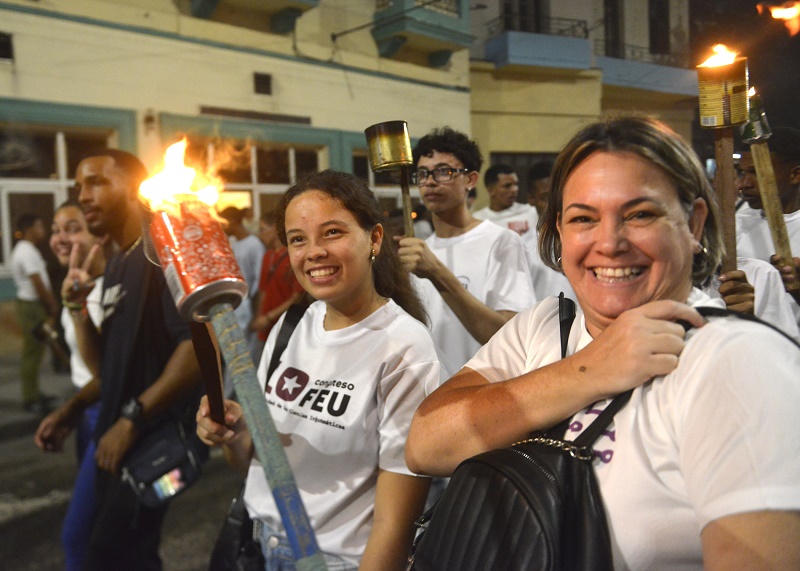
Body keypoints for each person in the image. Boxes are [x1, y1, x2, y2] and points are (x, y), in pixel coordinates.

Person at [406, 116, 800, 568]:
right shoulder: (544, 325)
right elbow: (425, 444)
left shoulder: (733, 360)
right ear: (559, 229)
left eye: (640, 215)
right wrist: (593, 369)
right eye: (583, 218)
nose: (609, 243)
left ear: (693, 223)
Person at [197, 170, 443, 570]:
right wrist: (233, 433)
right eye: (298, 239)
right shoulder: (292, 325)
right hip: (255, 545)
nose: (313, 252)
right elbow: (252, 463)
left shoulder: (404, 347)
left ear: (374, 239)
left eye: (332, 233)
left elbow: (395, 524)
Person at [39, 149, 204, 570]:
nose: (84, 195)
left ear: (134, 188)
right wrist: (73, 408)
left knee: (109, 555)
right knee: (122, 554)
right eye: (79, 185)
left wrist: (132, 419)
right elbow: (107, 367)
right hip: (117, 438)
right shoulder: (116, 264)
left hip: (159, 445)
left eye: (96, 182)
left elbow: (198, 351)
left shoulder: (163, 249)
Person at [396, 128, 536, 374]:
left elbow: (512, 341)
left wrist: (438, 274)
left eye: (443, 172)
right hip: (430, 396)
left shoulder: (501, 242)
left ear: (470, 180)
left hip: (484, 396)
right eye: (422, 174)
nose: (429, 181)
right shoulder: (417, 253)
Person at [35, 201, 107, 570]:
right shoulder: (76, 285)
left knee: (80, 536)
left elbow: (107, 373)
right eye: (55, 228)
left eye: (73, 227)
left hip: (106, 414)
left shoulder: (108, 292)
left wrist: (68, 410)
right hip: (86, 410)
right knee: (100, 534)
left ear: (100, 235)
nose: (61, 238)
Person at [10, 212, 61, 415]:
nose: (43, 230)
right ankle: (30, 397)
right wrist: (52, 305)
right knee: (32, 352)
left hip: (31, 305)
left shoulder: (26, 249)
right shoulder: (26, 252)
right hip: (32, 307)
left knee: (36, 351)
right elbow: (38, 282)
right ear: (30, 228)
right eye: (40, 226)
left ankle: (34, 392)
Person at [250, 210, 305, 360]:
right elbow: (263, 290)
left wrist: (268, 317)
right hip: (266, 328)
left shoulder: (293, 256)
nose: (260, 235)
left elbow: (297, 297)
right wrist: (259, 317)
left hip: (286, 326)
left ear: (275, 228)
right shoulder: (268, 256)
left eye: (263, 230)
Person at [220, 205, 265, 370]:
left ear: (232, 221)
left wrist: (256, 312)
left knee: (241, 357)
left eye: (223, 222)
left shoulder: (254, 245)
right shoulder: (231, 243)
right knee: (230, 355)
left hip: (245, 306)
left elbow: (259, 279)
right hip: (229, 305)